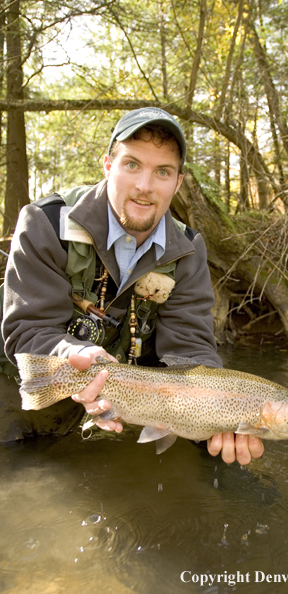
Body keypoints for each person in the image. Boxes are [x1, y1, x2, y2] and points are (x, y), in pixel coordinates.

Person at [1, 107, 264, 464]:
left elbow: (190, 348)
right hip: (44, 373)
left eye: (163, 172)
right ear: (108, 165)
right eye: (132, 164)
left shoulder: (187, 249)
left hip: (134, 389)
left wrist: (223, 407)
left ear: (178, 183)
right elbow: (28, 329)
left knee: (221, 457)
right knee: (17, 463)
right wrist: (71, 357)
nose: (145, 186)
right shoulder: (46, 222)